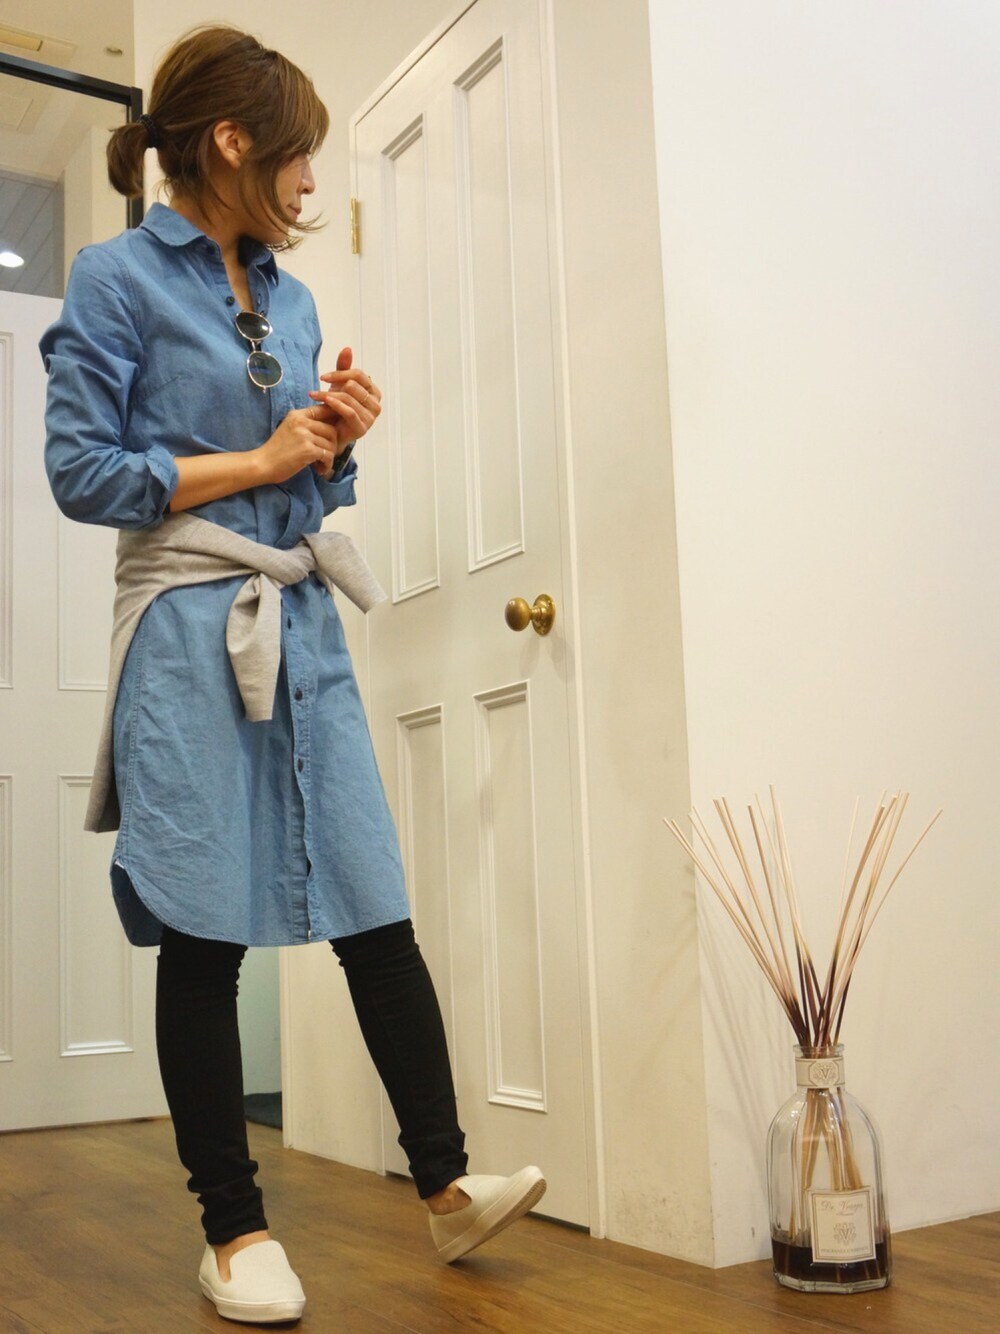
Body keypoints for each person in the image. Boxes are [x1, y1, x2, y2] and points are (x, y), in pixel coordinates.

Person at [39, 23, 545, 1326]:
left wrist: (336, 443)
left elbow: (303, 483)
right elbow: (82, 472)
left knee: (374, 898)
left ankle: (447, 1187)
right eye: (300, 153)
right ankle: (235, 1230)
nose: (313, 181)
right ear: (231, 142)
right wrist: (260, 462)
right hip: (188, 632)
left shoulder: (294, 298)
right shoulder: (114, 279)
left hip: (300, 621)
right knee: (205, 926)